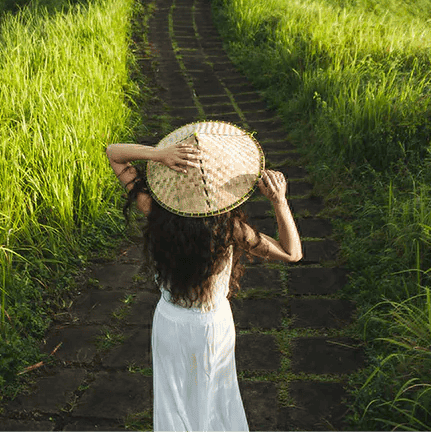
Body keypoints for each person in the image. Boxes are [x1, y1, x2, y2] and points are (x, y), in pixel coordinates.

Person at [106, 120, 303, 432]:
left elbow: (114, 153)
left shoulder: (153, 208)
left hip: (169, 322)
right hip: (212, 325)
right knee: (215, 398)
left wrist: (159, 154)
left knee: (173, 401)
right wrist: (279, 201)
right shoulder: (228, 228)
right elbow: (292, 253)